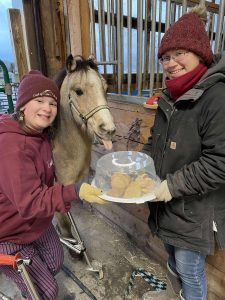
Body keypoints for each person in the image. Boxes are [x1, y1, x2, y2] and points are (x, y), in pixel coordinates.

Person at [142, 5, 225, 300]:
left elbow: (220, 162)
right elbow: (155, 142)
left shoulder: (216, 97)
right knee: (174, 262)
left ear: (200, 53)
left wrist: (170, 186)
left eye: (179, 53)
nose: (170, 63)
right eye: (165, 57)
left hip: (194, 210)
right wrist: (139, 168)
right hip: (167, 206)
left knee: (190, 270)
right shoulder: (169, 97)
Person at [0, 70, 105, 300]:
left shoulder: (41, 134)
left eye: (52, 103)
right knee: (46, 291)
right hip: (8, 232)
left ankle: (34, 281)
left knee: (55, 262)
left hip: (35, 222)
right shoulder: (11, 146)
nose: (47, 108)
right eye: (39, 101)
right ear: (22, 105)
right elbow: (30, 202)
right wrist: (75, 191)